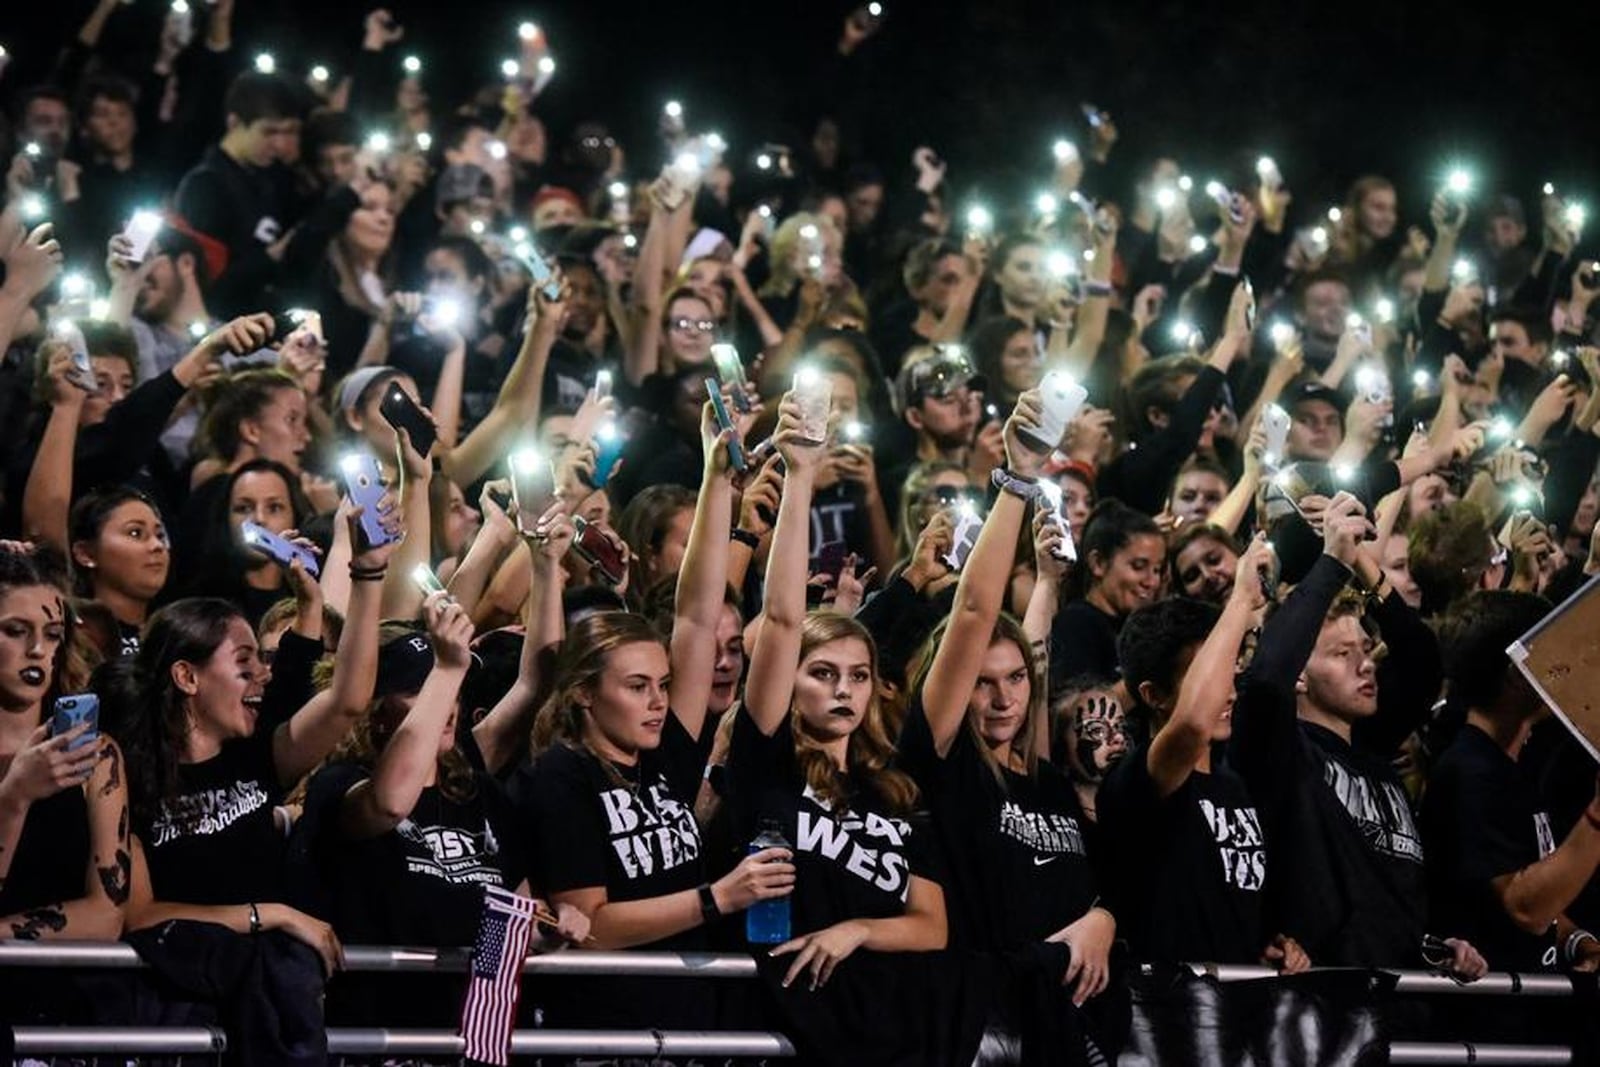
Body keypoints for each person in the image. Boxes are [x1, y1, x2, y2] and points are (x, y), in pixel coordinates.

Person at [1229, 492, 1488, 977]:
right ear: (1299, 677)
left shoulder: (1372, 749)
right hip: (1325, 1008)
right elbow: (1266, 681)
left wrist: (1360, 560)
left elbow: (1421, 657)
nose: (1366, 664)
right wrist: (1329, 561)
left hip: (1407, 1001)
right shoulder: (1278, 751)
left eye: (1366, 648)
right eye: (1341, 654)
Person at [1098, 543, 1309, 969]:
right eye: (1208, 678)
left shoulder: (1237, 786)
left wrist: (1273, 948)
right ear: (1154, 695)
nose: (1227, 692)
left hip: (1241, 1012)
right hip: (1168, 1016)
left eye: (1230, 674)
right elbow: (1193, 723)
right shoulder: (1134, 782)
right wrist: (1241, 600)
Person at [1422, 590, 1600, 973]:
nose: (1564, 669)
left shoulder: (1507, 766)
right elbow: (1525, 907)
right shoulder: (1470, 774)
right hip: (1492, 1020)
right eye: (1551, 657)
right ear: (1518, 675)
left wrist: (1576, 940)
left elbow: (1536, 894)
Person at [0, 544, 130, 1027]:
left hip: (67, 1013)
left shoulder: (96, 757)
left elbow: (107, 915)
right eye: (16, 631)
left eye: (52, 634)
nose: (37, 649)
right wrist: (16, 796)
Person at [172, 71, 305, 316]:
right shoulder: (205, 185)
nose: (279, 144)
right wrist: (270, 258)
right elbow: (206, 282)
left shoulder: (270, 177)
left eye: (286, 132)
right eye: (269, 132)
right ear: (234, 124)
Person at [1048, 500, 1164, 689]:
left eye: (1157, 569)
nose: (1151, 582)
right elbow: (1080, 712)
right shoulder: (1074, 625)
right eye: (1139, 566)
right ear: (1098, 563)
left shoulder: (1140, 627)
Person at [67, 487, 170, 658]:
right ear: (85, 553)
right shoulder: (73, 636)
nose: (157, 546)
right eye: (136, 533)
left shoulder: (172, 635)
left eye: (160, 535)